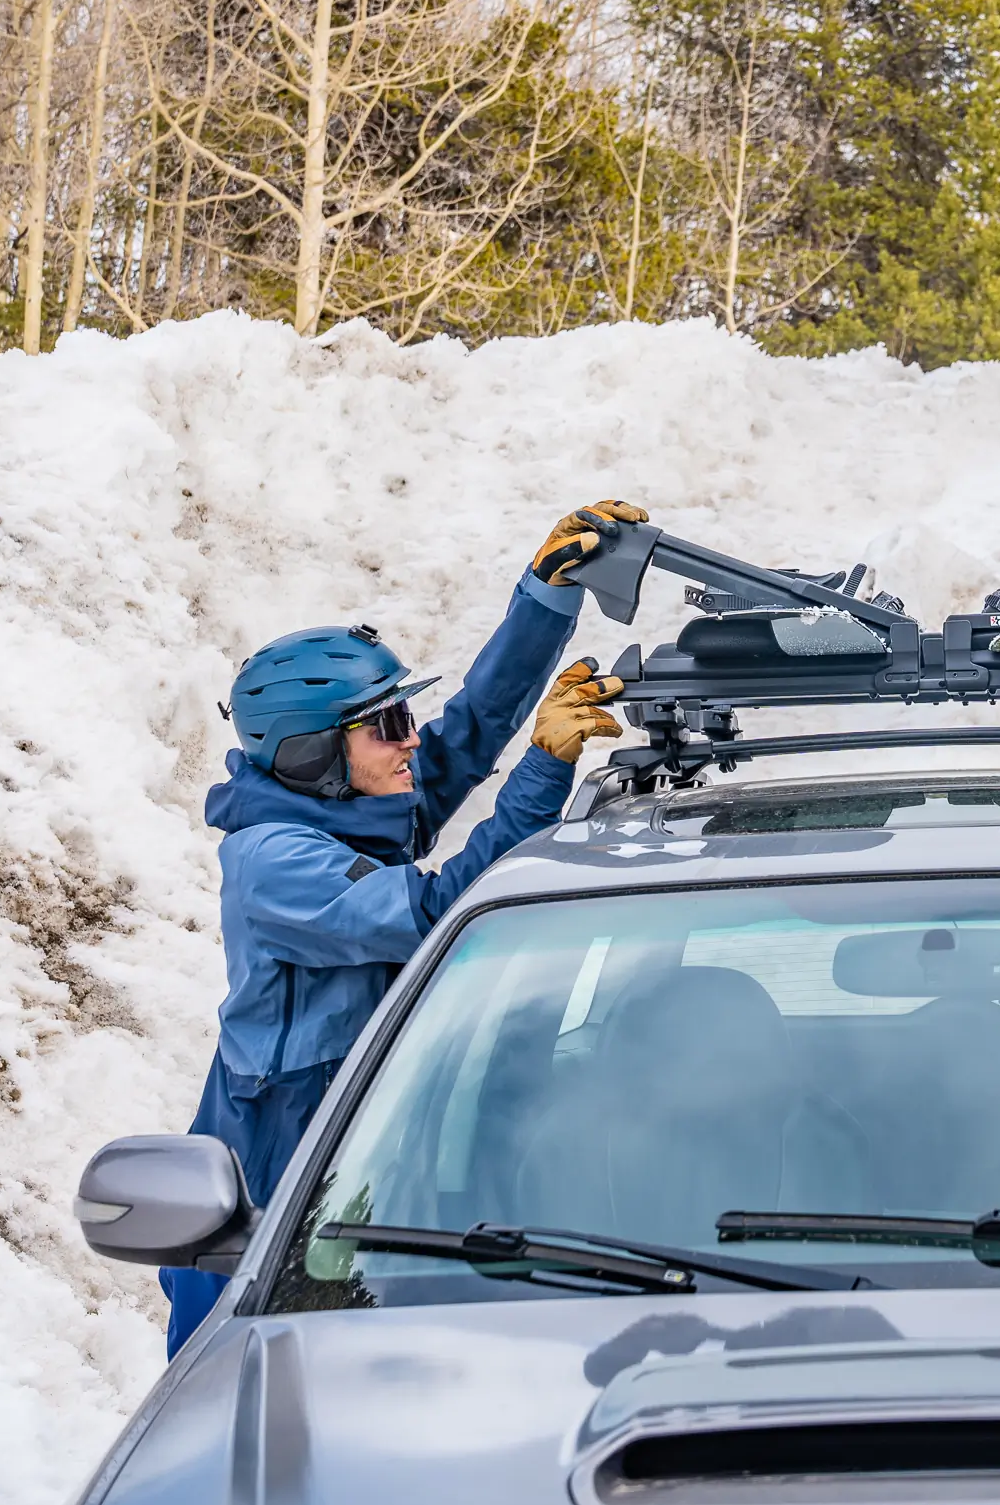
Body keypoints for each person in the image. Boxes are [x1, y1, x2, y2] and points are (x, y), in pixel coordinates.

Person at [158, 500, 641, 1355]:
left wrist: (545, 597)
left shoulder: (344, 812)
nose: (409, 741)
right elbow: (435, 912)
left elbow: (465, 736)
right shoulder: (276, 863)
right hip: (276, 1193)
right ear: (312, 753)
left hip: (365, 1150)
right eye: (386, 726)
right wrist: (548, 765)